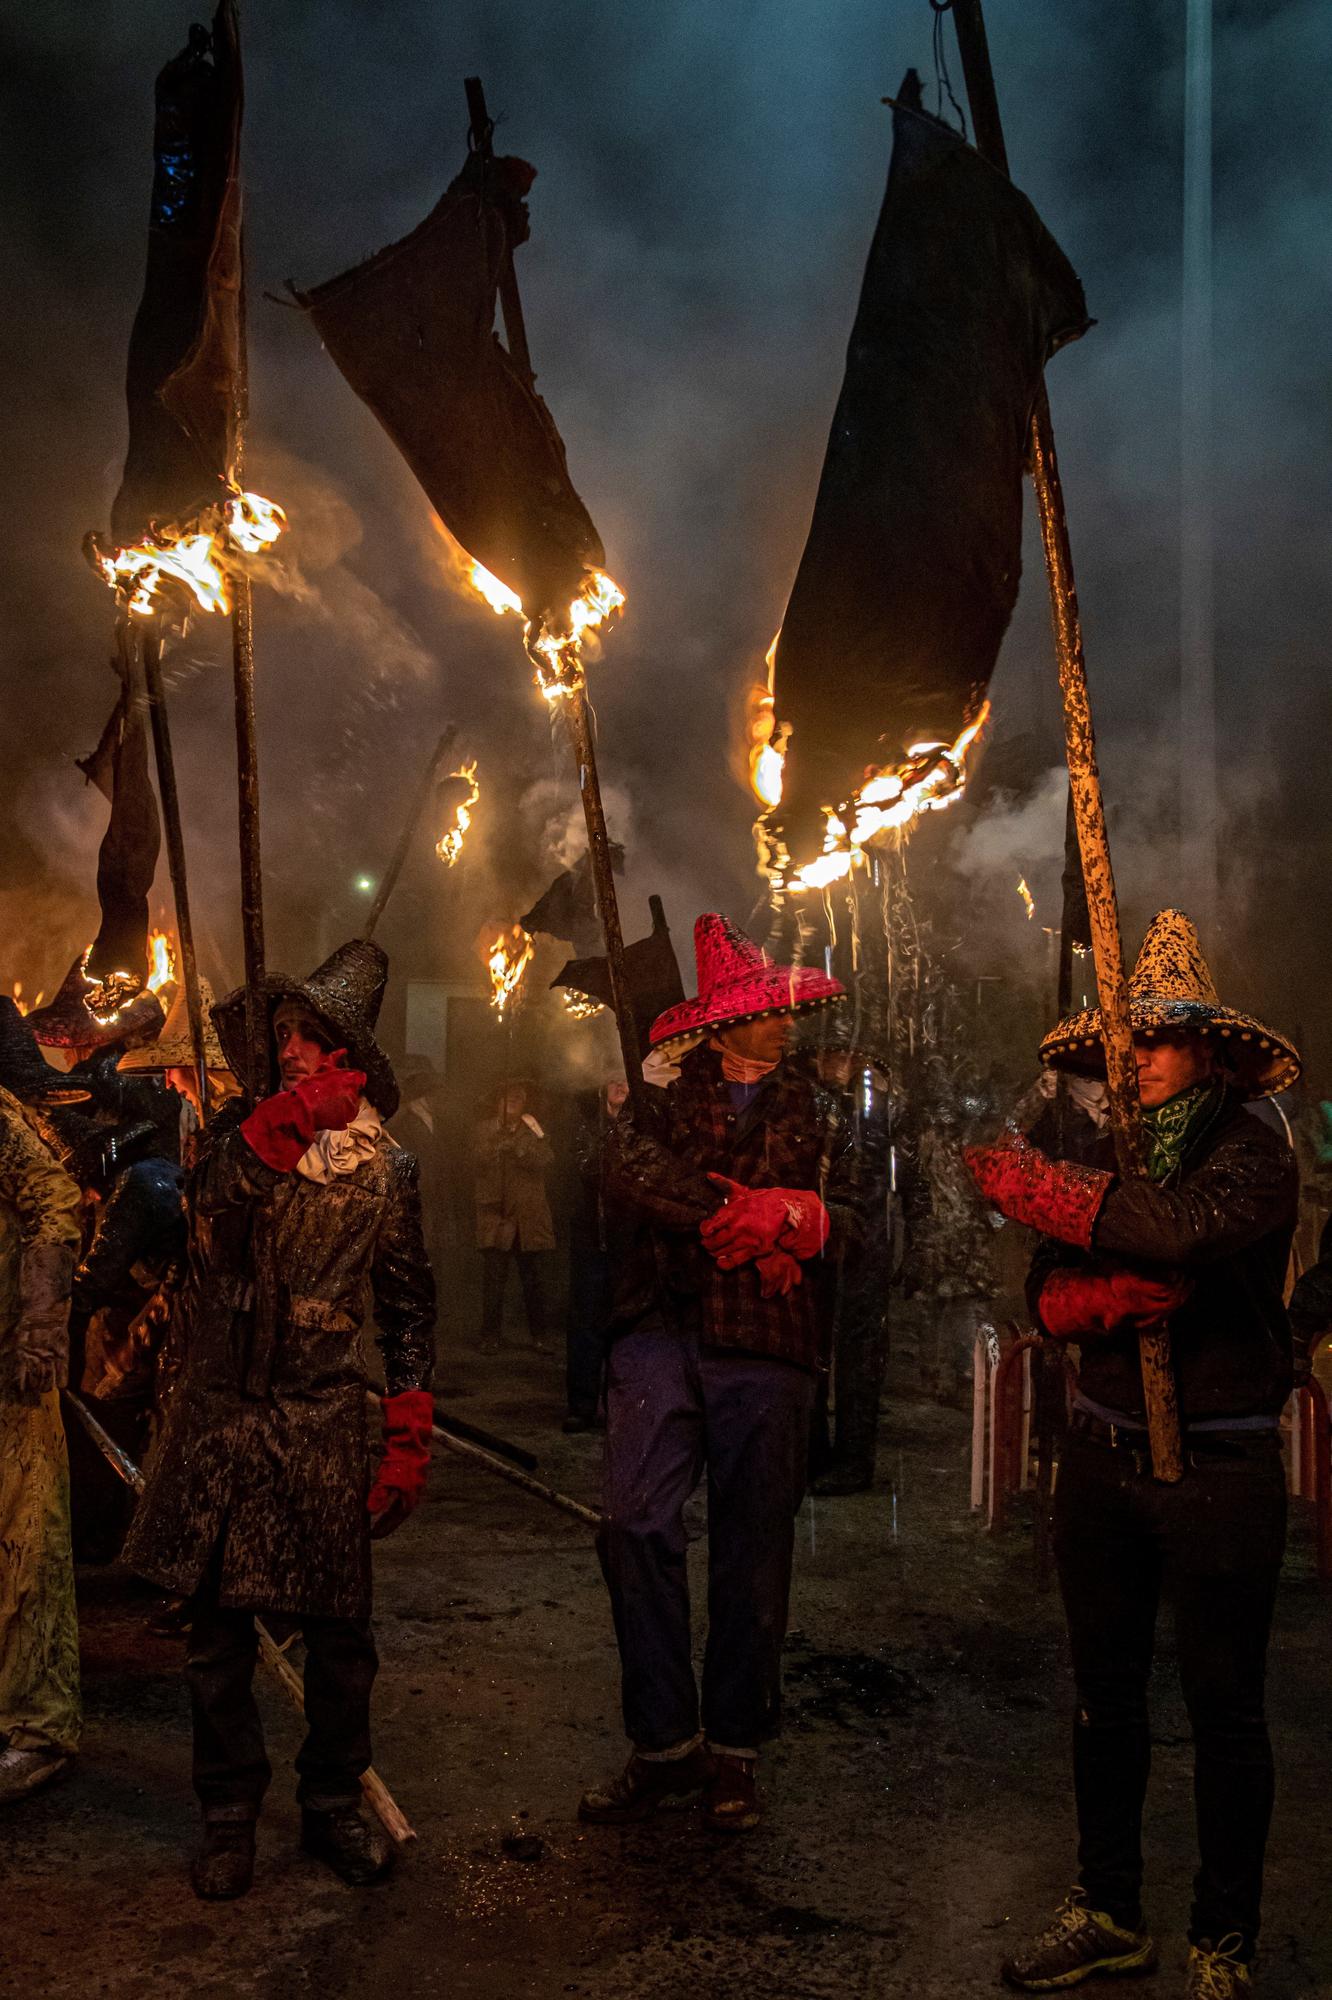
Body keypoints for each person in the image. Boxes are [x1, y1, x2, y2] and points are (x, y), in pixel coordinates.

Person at [965, 910, 1300, 2000]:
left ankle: (1225, 1935)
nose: (1140, 1057)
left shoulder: (1252, 1144)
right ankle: (1109, 1906)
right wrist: (1068, 1299)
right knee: (1104, 1694)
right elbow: (1039, 1283)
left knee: (1223, 1704)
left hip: (1219, 1463)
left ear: (1207, 1046)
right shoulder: (1098, 1138)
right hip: (1104, 1452)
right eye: (1130, 1040)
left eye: (1160, 1038)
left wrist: (1064, 1198)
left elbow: (1176, 1231)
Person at [123, 940, 436, 1900]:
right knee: (218, 1637)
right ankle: (228, 1814)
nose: (294, 1051)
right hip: (224, 1409)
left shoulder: (387, 1167)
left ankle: (333, 1801)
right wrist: (280, 1125)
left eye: (312, 1039)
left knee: (341, 1635)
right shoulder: (235, 1128)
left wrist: (411, 1425)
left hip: (323, 1412)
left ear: (347, 1057)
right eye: (286, 1036)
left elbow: (410, 1304)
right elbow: (209, 1202)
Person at [579, 914, 859, 1833]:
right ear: (722, 1023)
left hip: (767, 1343)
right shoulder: (656, 1100)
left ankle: (735, 1747)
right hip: (662, 1329)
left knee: (752, 1550)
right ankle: (664, 1745)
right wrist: (734, 1214)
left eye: (783, 1011)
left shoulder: (819, 1108)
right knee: (632, 1523)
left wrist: (800, 1220)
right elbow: (622, 1177)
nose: (783, 1024)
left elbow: (865, 1219)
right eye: (763, 1011)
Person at [0, 1083, 83, 1804]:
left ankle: (40, 1730)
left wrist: (38, 1329)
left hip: (10, 1380)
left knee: (28, 1545)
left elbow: (57, 1202)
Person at [564, 1075, 629, 1432]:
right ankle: (582, 1404)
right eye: (613, 1081)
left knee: (624, 1326)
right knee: (586, 1323)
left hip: (626, 1241)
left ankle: (617, 1404)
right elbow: (587, 1168)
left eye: (625, 1081)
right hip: (591, 1239)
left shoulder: (641, 1124)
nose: (621, 1088)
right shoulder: (585, 1126)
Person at [473, 1078, 554, 1352]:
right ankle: (490, 1336)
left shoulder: (533, 1129)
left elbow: (546, 1159)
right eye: (509, 1098)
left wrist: (520, 1150)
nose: (514, 1102)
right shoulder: (485, 1129)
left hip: (528, 1216)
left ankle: (540, 1335)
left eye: (519, 1098)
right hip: (496, 1215)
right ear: (499, 1103)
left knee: (533, 1282)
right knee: (494, 1282)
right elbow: (474, 1160)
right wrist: (498, 1145)